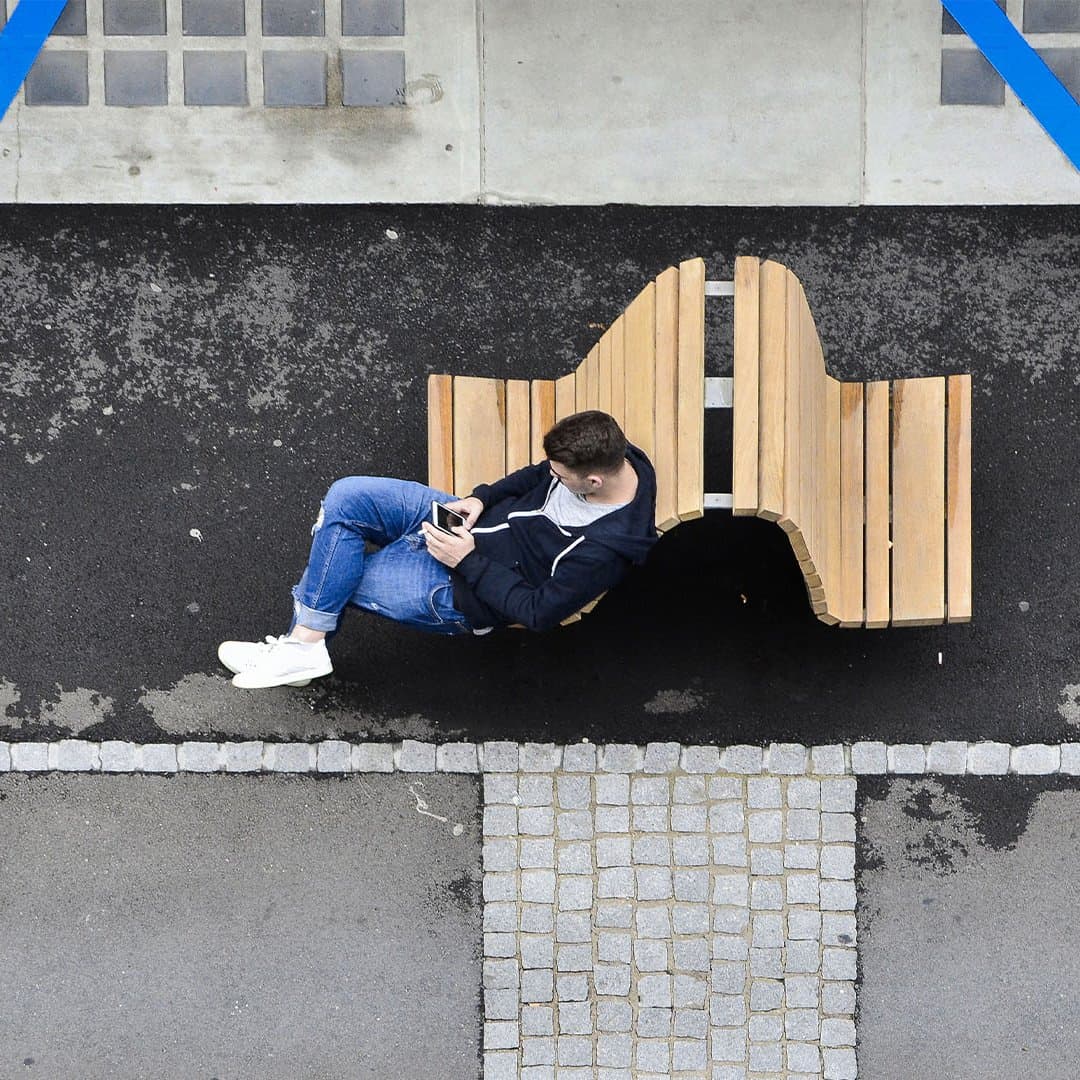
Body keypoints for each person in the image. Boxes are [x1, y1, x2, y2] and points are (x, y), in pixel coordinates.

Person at [218, 410, 658, 689]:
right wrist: (482, 498)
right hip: (462, 521)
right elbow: (534, 475)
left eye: (562, 477)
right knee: (346, 496)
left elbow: (539, 612)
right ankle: (304, 648)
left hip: (457, 587)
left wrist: (467, 560)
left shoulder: (605, 551)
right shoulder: (611, 455)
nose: (553, 477)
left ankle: (300, 647)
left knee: (335, 575)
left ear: (594, 482)